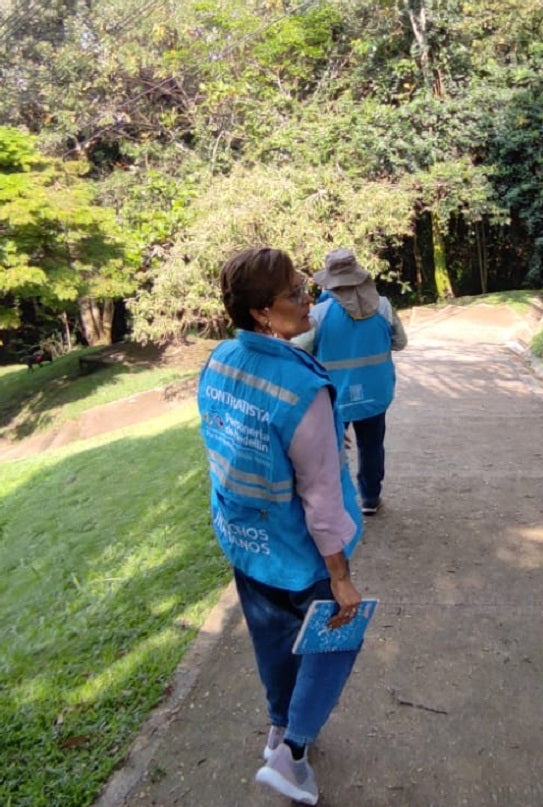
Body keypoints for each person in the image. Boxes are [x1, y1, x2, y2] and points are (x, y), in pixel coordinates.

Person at [197, 247, 367, 805]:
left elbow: (218, 447)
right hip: (299, 553)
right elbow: (320, 497)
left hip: (245, 541)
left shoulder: (219, 361)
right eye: (296, 293)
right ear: (262, 313)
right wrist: (339, 575)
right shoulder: (301, 389)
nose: (309, 299)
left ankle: (277, 726)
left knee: (273, 640)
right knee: (335, 639)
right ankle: (291, 755)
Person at [295, 248, 407, 515]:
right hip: (376, 393)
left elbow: (298, 352)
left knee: (331, 450)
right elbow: (400, 343)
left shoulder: (318, 315)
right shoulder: (383, 306)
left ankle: (335, 504)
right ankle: (370, 498)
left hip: (333, 399)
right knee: (371, 446)